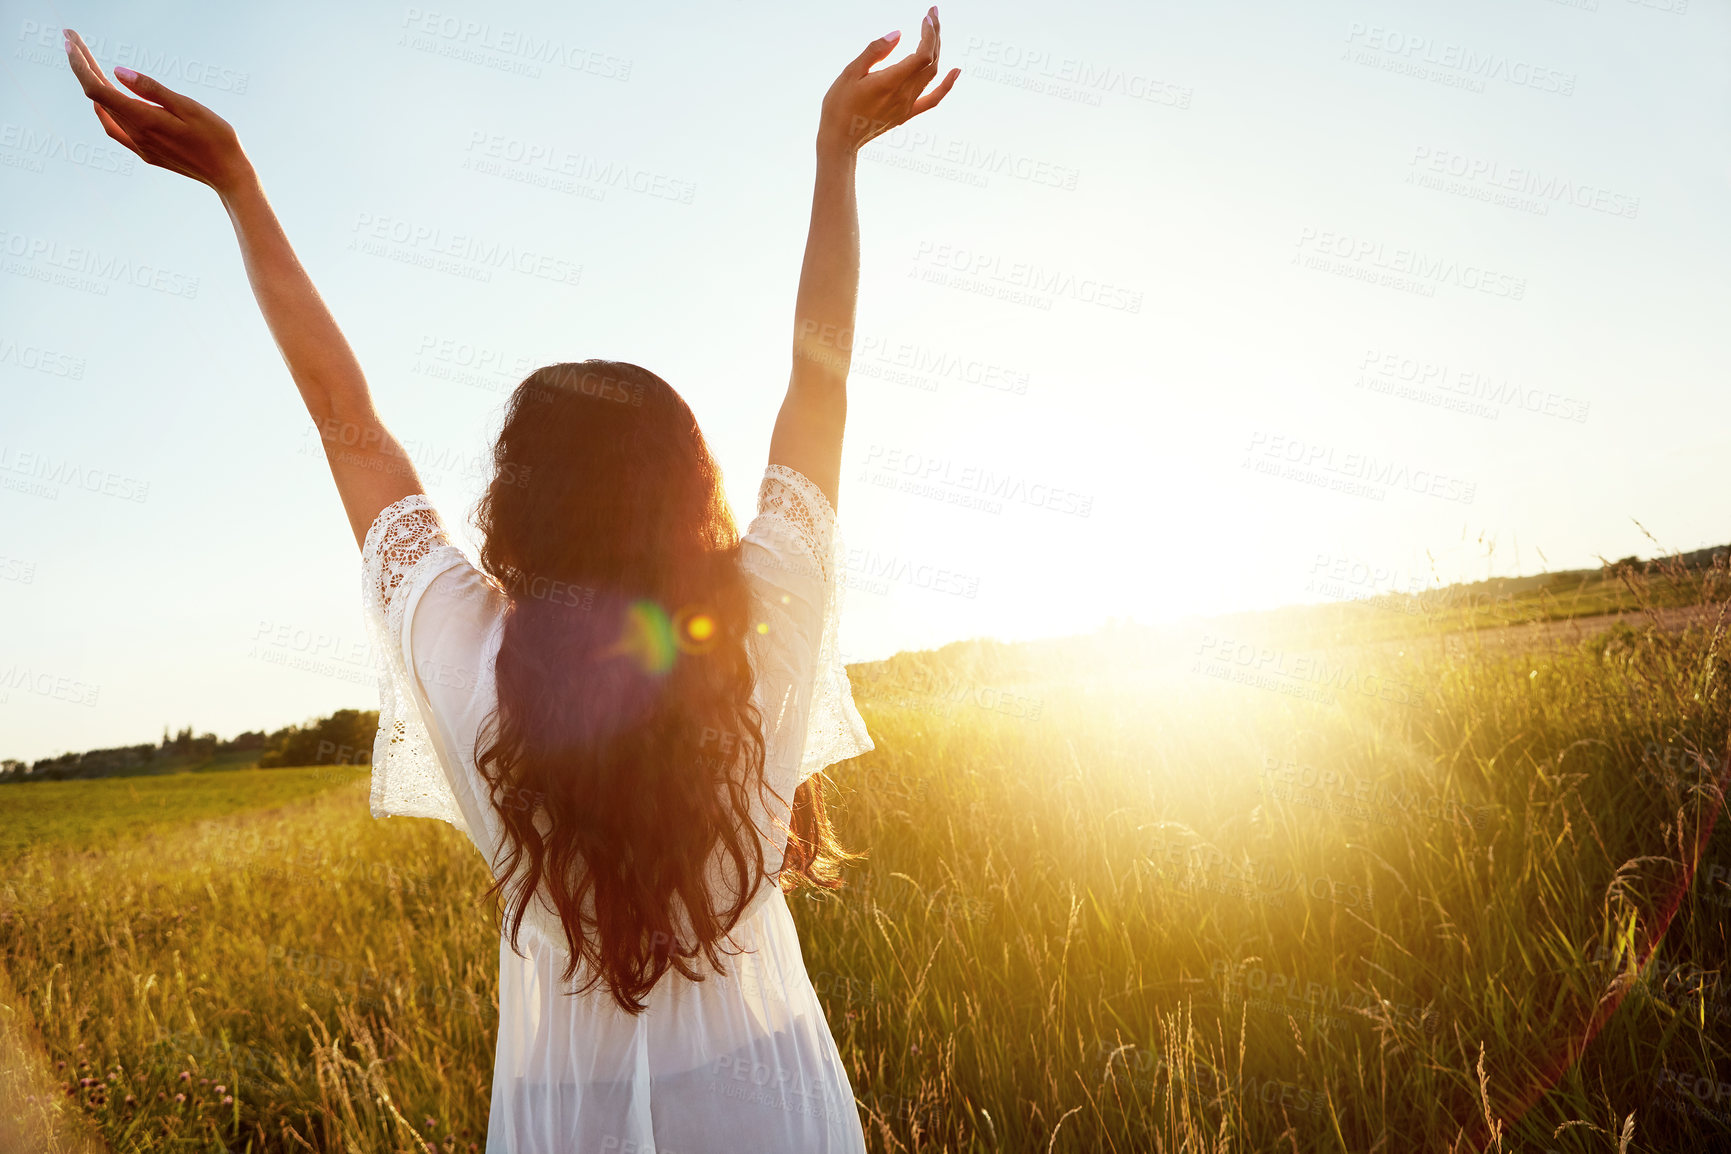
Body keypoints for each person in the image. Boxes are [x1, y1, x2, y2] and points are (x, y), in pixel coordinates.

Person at [64, 11, 958, 1152]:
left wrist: (239, 186)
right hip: (771, 1103)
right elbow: (818, 379)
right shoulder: (760, 612)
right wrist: (835, 157)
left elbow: (352, 429)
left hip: (559, 1119)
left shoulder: (467, 642)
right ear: (688, 490)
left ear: (517, 498)